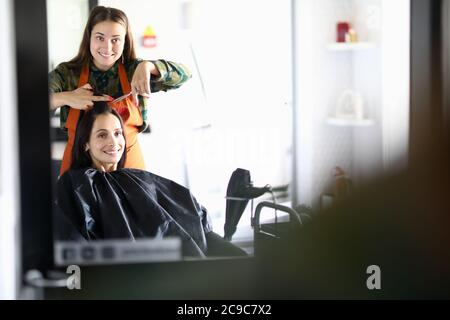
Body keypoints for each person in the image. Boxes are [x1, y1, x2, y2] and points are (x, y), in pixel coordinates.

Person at [54, 101, 247, 258]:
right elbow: (71, 242)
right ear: (86, 143)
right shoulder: (74, 185)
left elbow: (188, 213)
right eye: (102, 135)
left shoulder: (137, 178)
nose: (113, 142)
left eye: (117, 133)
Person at [49, 6, 192, 175]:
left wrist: (149, 66)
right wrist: (67, 97)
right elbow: (27, 102)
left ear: (125, 42)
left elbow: (185, 75)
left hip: (129, 168)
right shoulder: (67, 74)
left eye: (115, 40)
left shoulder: (135, 72)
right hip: (79, 170)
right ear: (89, 38)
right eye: (100, 38)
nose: (107, 47)